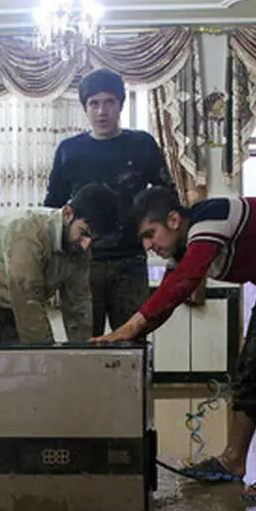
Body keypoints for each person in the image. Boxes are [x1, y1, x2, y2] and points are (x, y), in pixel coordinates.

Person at [95, 186, 256, 502]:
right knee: (248, 373)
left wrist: (129, 328)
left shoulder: (209, 218)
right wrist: (126, 336)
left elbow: (185, 280)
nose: (147, 246)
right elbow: (170, 295)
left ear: (173, 219)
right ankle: (233, 459)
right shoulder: (185, 246)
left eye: (150, 234)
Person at [0, 182, 120, 459]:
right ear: (68, 213)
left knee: (18, 384)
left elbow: (79, 306)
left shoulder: (80, 251)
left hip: (9, 305)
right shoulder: (29, 232)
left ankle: (16, 460)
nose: (86, 245)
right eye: (84, 234)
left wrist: (83, 361)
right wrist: (48, 365)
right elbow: (27, 300)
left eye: (93, 240)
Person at [44, 68, 177, 338]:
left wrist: (162, 241)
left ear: (120, 104)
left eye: (109, 102)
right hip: (82, 265)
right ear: (85, 107)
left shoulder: (142, 145)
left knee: (132, 345)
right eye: (94, 103)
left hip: (130, 261)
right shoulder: (69, 150)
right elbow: (51, 210)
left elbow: (166, 197)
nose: (101, 111)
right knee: (83, 346)